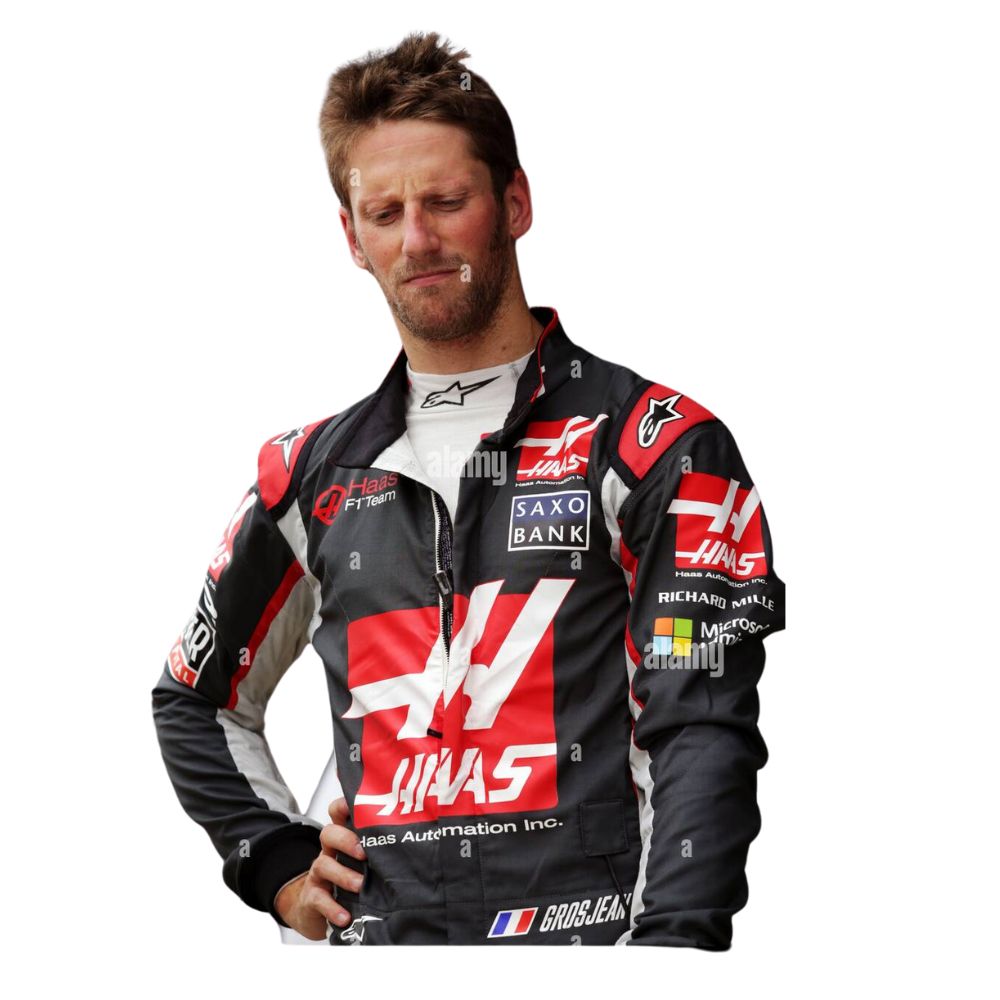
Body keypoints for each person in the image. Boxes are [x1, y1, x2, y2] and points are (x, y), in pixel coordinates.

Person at [151, 30, 785, 948]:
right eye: (385, 212)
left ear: (514, 201)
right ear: (351, 237)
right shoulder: (308, 476)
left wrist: (672, 957)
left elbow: (702, 726)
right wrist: (274, 862)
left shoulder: (659, 447)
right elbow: (192, 698)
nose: (418, 240)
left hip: (594, 958)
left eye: (447, 201)